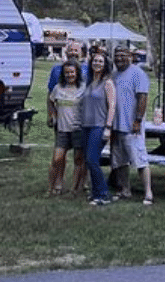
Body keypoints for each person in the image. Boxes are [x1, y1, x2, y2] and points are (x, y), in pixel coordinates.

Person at [110, 46, 153, 205]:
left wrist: (138, 120)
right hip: (116, 126)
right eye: (117, 55)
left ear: (130, 56)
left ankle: (148, 193)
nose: (119, 58)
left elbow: (142, 98)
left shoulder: (138, 73)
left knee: (139, 159)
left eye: (123, 55)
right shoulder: (114, 75)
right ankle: (125, 190)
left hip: (132, 126)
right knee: (119, 161)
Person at [46, 40, 89, 193]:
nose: (73, 53)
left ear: (82, 53)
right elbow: (50, 96)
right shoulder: (56, 70)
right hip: (62, 124)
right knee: (58, 157)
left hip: (79, 125)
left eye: (76, 50)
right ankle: (56, 184)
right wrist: (51, 115)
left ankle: (79, 185)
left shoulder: (88, 70)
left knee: (80, 157)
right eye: (70, 50)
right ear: (66, 52)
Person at [80, 51, 116, 206]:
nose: (97, 64)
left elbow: (112, 106)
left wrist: (108, 127)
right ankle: (96, 193)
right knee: (88, 161)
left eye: (100, 61)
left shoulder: (107, 83)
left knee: (92, 159)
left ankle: (103, 194)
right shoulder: (89, 82)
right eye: (95, 61)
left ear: (105, 64)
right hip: (86, 126)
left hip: (99, 125)